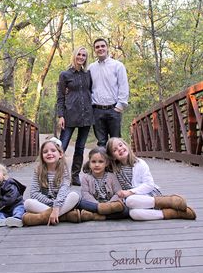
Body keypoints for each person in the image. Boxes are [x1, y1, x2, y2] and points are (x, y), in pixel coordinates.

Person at [106, 137, 196, 221]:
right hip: (136, 202)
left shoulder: (139, 163)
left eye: (121, 145)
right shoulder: (115, 170)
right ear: (113, 157)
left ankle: (169, 201)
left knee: (130, 200)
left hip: (148, 196)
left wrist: (130, 192)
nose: (119, 149)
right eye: (115, 150)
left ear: (126, 145)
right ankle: (173, 213)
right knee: (134, 214)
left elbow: (149, 185)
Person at [57, 46, 93, 186]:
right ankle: (57, 175)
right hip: (69, 115)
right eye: (79, 54)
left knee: (80, 147)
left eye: (84, 55)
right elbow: (60, 97)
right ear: (74, 55)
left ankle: (75, 176)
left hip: (86, 115)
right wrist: (61, 115)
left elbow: (90, 92)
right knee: (61, 146)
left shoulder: (88, 74)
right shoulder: (65, 74)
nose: (81, 57)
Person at [23, 137, 81, 226]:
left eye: (53, 150)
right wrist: (53, 205)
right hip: (46, 204)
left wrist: (57, 206)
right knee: (28, 203)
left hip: (60, 203)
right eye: (45, 152)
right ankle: (64, 216)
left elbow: (64, 190)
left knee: (75, 196)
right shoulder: (38, 170)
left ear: (60, 154)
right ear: (42, 156)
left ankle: (42, 217)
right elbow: (34, 193)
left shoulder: (64, 170)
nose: (49, 153)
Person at [88, 38, 129, 147]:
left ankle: (116, 164)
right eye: (97, 47)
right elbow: (87, 88)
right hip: (97, 110)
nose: (100, 49)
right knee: (101, 143)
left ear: (107, 48)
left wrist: (120, 106)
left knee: (116, 143)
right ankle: (105, 165)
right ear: (94, 50)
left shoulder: (118, 65)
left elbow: (123, 86)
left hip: (113, 109)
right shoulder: (91, 68)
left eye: (102, 46)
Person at [77, 147, 129, 221]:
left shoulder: (111, 176)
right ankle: (102, 214)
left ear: (106, 163)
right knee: (80, 203)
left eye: (100, 161)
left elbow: (118, 192)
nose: (97, 165)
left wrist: (109, 205)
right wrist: (98, 205)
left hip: (110, 205)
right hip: (94, 205)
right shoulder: (86, 177)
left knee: (126, 211)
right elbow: (85, 194)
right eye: (93, 162)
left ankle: (95, 216)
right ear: (89, 163)